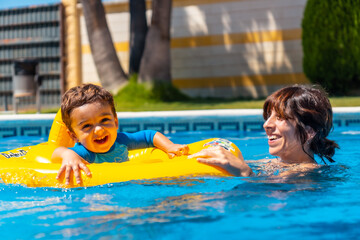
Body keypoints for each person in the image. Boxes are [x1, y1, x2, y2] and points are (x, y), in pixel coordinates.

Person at [189, 85, 339, 177]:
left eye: (280, 117)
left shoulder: (306, 175)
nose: (266, 124)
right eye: (268, 117)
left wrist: (245, 172)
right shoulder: (272, 164)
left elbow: (269, 197)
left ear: (309, 132)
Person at [52, 83, 189, 185]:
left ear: (115, 122)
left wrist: (169, 146)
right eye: (87, 126)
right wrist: (68, 155)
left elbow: (149, 136)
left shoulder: (121, 141)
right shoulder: (83, 153)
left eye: (104, 120)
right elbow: (55, 153)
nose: (99, 130)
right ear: (74, 136)